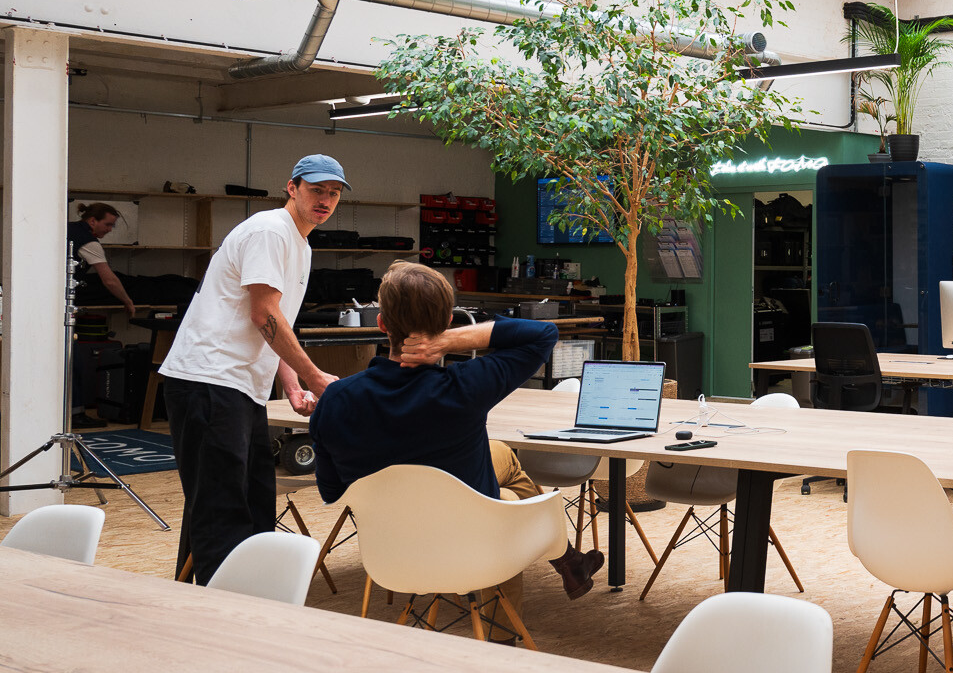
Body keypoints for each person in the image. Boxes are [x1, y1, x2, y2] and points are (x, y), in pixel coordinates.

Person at [309, 261, 603, 600]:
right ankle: (530, 604)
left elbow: (331, 491)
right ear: (448, 321)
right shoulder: (466, 386)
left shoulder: (334, 400)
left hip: (390, 549)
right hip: (470, 545)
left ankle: (570, 561)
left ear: (381, 323)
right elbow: (543, 334)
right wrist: (448, 341)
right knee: (506, 508)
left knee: (501, 453)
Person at [160, 155, 344, 583]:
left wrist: (294, 386)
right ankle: (223, 619)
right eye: (317, 190)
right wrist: (318, 377)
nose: (326, 200)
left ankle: (199, 598)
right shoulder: (269, 231)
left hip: (237, 388)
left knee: (248, 503)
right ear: (292, 188)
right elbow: (264, 314)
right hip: (208, 380)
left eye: (334, 193)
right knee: (224, 511)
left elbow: (273, 324)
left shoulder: (300, 243)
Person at [69, 202, 136, 318]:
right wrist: (128, 301)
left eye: (112, 226)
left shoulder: (68, 227)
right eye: (108, 225)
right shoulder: (89, 242)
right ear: (93, 221)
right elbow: (109, 280)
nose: (110, 229)